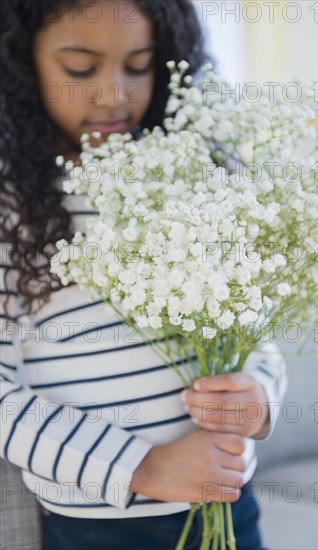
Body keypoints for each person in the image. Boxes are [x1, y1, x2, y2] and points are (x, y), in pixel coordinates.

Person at [0, 1, 288, 549]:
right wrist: (141, 467)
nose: (114, 94)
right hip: (97, 525)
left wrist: (259, 400)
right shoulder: (11, 207)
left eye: (139, 65)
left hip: (226, 503)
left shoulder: (194, 177)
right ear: (18, 63)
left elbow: (257, 329)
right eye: (80, 69)